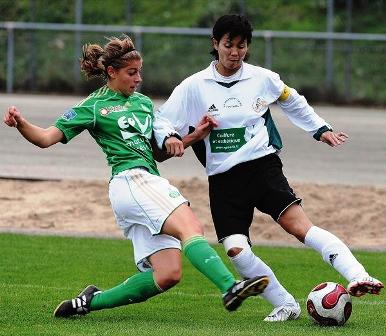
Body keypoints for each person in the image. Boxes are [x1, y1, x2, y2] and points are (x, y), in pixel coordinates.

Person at [3, 35, 269, 318]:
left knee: (168, 273)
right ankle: (230, 287)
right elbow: (45, 138)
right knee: (190, 226)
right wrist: (21, 123)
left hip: (143, 182)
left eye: (140, 72)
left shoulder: (143, 103)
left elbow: (158, 153)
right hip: (131, 181)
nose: (138, 78)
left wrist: (191, 137)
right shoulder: (93, 106)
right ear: (111, 72)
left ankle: (87, 302)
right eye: (132, 73)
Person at [153, 14, 384, 322]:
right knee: (235, 249)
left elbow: (293, 101)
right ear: (215, 44)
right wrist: (172, 136)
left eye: (242, 46)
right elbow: (162, 120)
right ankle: (286, 304)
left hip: (263, 167)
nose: (235, 53)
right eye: (228, 45)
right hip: (223, 179)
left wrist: (320, 128)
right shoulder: (193, 87)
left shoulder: (263, 78)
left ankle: (358, 274)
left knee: (300, 227)